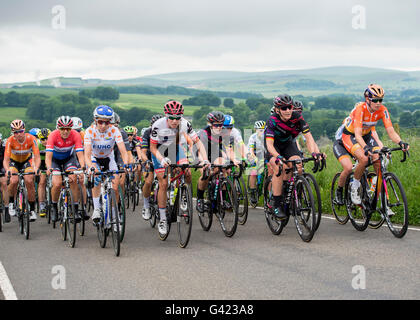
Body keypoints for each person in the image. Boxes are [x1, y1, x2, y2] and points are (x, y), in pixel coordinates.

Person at [340, 84, 409, 205]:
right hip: (350, 135)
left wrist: (400, 142)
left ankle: (382, 202)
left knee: (379, 159)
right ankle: (355, 187)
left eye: (381, 100)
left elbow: (391, 131)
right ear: (368, 99)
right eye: (375, 100)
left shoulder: (383, 110)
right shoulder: (360, 109)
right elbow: (357, 134)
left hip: (367, 136)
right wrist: (365, 148)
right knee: (364, 158)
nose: (378, 103)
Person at [150, 101, 209, 235]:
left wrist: (204, 159)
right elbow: (152, 148)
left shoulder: (185, 124)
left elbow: (197, 142)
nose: (175, 121)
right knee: (163, 183)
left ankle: (184, 195)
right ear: (166, 116)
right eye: (171, 117)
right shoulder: (157, 125)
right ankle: (163, 218)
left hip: (175, 149)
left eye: (178, 118)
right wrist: (161, 159)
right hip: (160, 151)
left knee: (186, 171)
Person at [265, 94, 324, 220]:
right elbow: (269, 145)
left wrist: (314, 152)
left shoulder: (297, 117)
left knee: (297, 164)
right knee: (279, 168)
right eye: (284, 108)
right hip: (274, 146)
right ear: (277, 110)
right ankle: (276, 203)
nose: (288, 110)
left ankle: (289, 194)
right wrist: (277, 157)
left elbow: (308, 137)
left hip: (287, 144)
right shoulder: (272, 120)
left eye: (289, 107)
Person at [84, 106, 129, 225]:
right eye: (100, 122)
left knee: (115, 187)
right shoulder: (89, 131)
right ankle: (97, 209)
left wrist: (126, 164)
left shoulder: (114, 130)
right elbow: (87, 154)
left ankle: (114, 215)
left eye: (107, 122)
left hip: (109, 158)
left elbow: (123, 151)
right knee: (96, 178)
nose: (103, 125)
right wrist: (91, 166)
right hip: (95, 158)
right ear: (95, 120)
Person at [45, 116, 86, 222]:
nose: (65, 131)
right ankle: (54, 207)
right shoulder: (53, 135)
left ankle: (75, 209)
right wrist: (49, 168)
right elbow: (48, 156)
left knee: (73, 178)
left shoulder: (75, 135)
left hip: (68, 159)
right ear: (58, 128)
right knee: (57, 183)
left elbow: (80, 154)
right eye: (62, 129)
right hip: (55, 161)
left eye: (68, 129)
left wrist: (82, 167)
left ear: (71, 129)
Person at [195, 111, 236, 213]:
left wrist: (234, 160)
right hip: (200, 152)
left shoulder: (224, 132)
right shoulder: (203, 133)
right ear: (210, 124)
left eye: (221, 125)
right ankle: (200, 199)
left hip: (214, 151)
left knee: (223, 168)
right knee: (206, 174)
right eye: (216, 125)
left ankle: (222, 198)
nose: (219, 127)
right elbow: (200, 151)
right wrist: (203, 162)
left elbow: (228, 149)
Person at [4, 120, 41, 222]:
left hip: (26, 161)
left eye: (20, 131)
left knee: (29, 180)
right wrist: (7, 170)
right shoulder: (10, 140)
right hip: (14, 162)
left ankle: (32, 210)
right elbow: (6, 159)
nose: (18, 134)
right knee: (14, 180)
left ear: (24, 130)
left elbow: (37, 156)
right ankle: (11, 203)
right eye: (15, 132)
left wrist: (36, 168)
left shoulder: (31, 138)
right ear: (12, 133)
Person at [140, 114, 163, 220]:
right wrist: (147, 161)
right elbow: (143, 152)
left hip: (162, 157)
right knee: (148, 182)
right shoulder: (147, 132)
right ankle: (146, 206)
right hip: (149, 157)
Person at [247, 120, 266, 204]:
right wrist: (255, 159)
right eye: (260, 130)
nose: (262, 132)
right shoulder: (253, 137)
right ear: (256, 130)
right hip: (253, 155)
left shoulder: (267, 137)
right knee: (253, 171)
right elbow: (251, 151)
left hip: (263, 155)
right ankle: (252, 192)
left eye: (264, 130)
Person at [36, 128, 51, 217]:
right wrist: (36, 169)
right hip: (41, 163)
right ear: (39, 139)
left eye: (47, 139)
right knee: (42, 182)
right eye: (42, 139)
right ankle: (42, 204)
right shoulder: (37, 145)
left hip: (50, 162)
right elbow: (35, 159)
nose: (45, 141)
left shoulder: (52, 144)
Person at [0, 133, 10, 223]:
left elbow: (7, 161)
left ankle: (7, 209)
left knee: (4, 183)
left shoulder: (4, 148)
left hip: (2, 166)